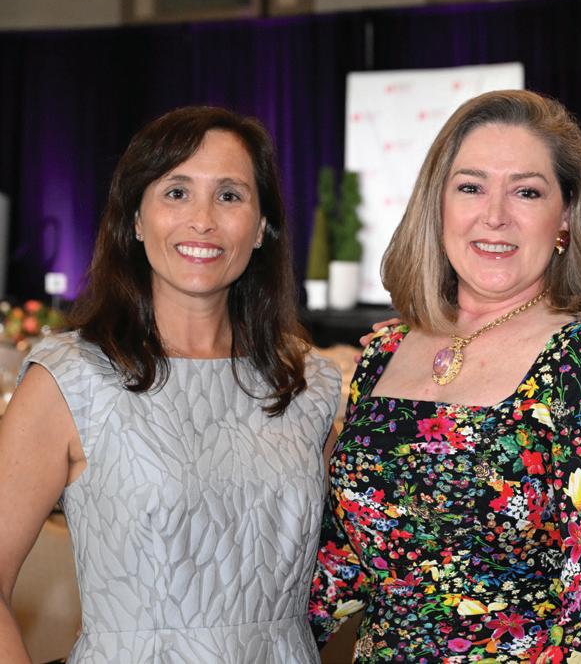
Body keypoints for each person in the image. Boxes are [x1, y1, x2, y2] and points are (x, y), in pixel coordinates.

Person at [308, 90, 581, 662]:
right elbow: (343, 563)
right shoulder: (384, 352)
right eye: (471, 187)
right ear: (438, 204)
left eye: (526, 191)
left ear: (566, 215)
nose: (495, 215)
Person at [0, 106, 341, 663]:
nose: (202, 220)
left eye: (229, 195)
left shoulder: (309, 385)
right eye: (177, 192)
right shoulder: (71, 378)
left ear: (261, 228)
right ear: (137, 219)